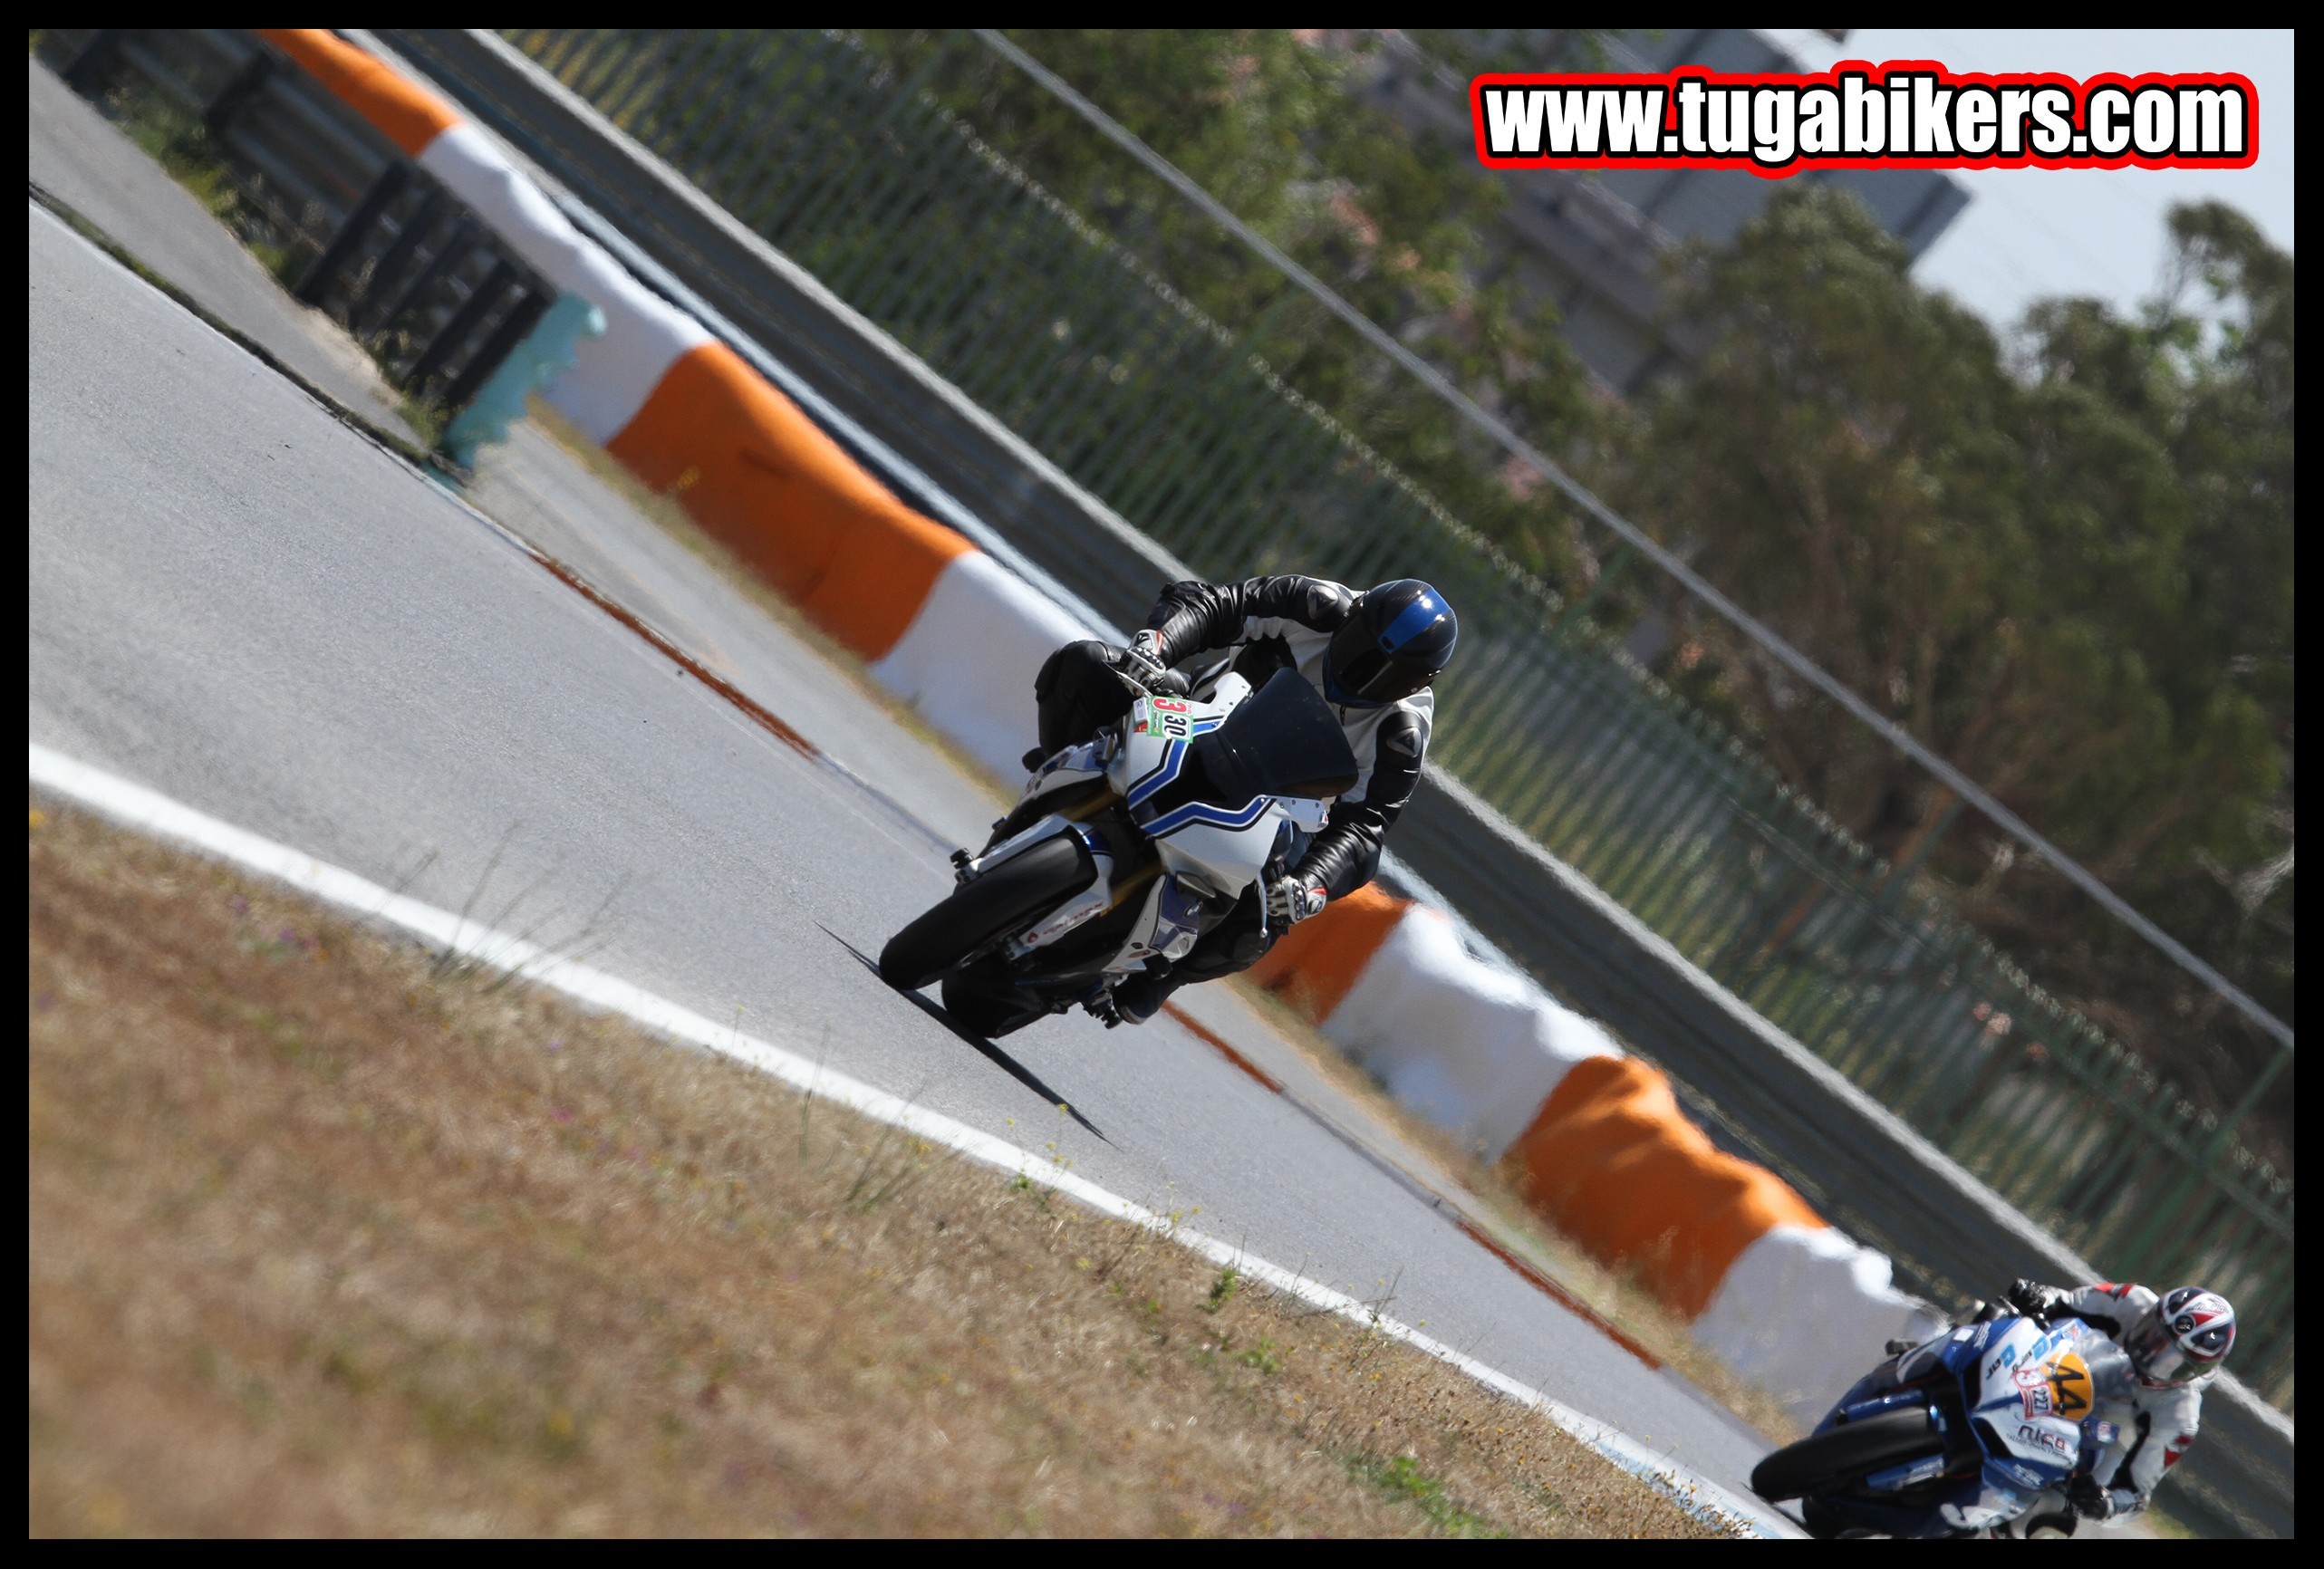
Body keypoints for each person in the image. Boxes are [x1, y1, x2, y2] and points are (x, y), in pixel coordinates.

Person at [1032, 574, 1456, 1026]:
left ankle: (1162, 976)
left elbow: (1365, 827)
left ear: (1417, 683)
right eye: (1362, 646)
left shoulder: (1401, 733)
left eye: (1390, 673)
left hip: (1276, 808)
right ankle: (1059, 774)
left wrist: (1310, 884)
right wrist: (1158, 644)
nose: (1364, 673)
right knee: (1085, 663)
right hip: (1195, 716)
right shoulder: (1315, 605)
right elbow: (1219, 604)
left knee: (1268, 913)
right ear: (1352, 615)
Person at [2001, 1277, 2234, 1524]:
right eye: (2153, 1334)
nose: (2151, 1352)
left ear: (2193, 1372)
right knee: (1989, 1315)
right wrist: (2037, 1296)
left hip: (2085, 1444)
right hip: (2039, 1378)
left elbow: (2135, 1494)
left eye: (2171, 1359)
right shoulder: (2130, 1299)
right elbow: (2063, 1301)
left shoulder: (2179, 1416)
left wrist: (2105, 1503)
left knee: (2050, 1515)